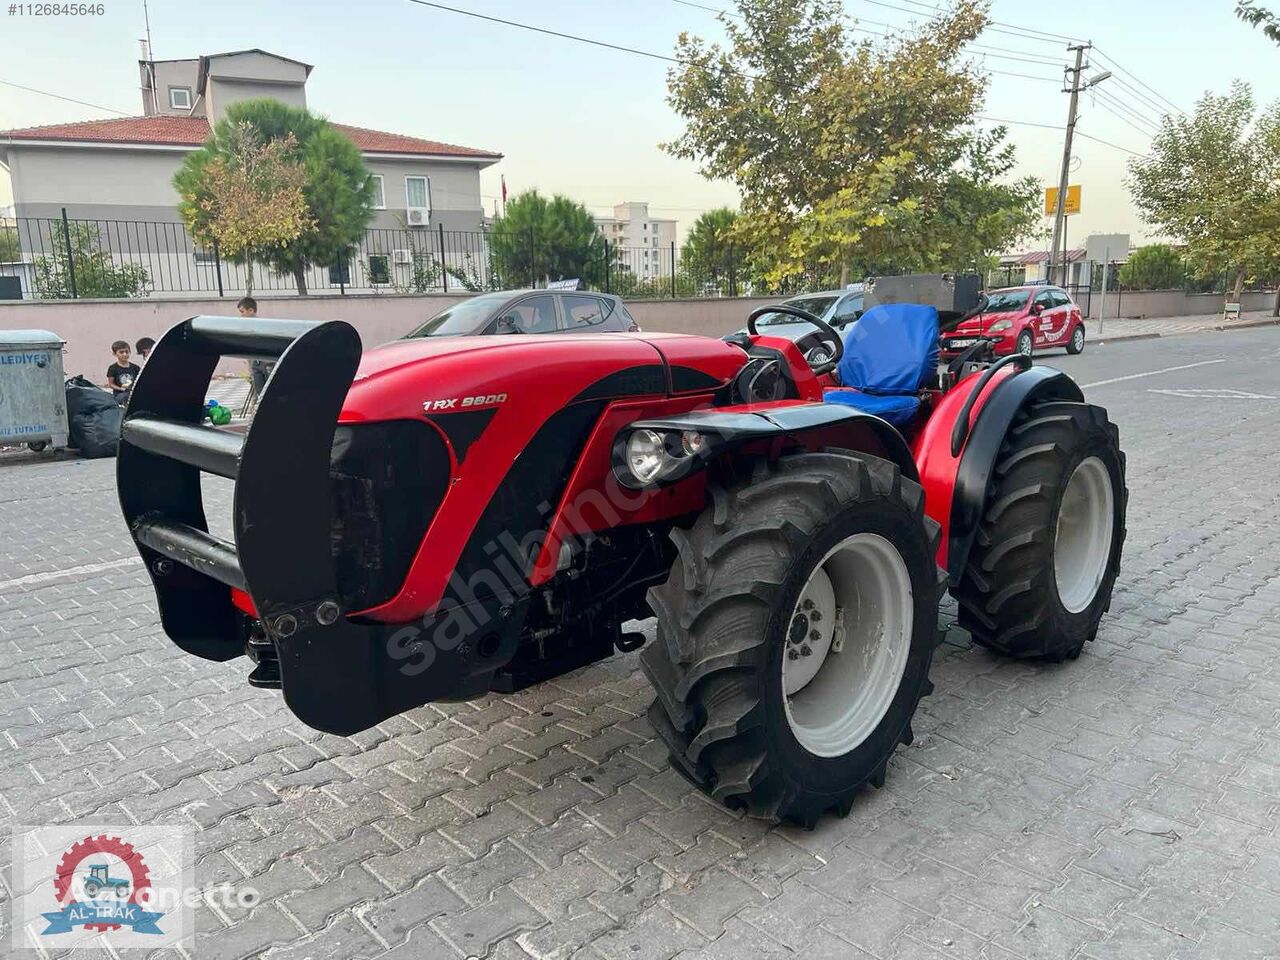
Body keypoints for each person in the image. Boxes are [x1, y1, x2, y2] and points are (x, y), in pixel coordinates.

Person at [240, 297, 273, 396]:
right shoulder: (246, 327)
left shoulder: (262, 325)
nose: (241, 315)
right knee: (259, 391)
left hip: (266, 362)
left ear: (251, 310)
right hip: (255, 363)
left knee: (268, 392)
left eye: (242, 312)